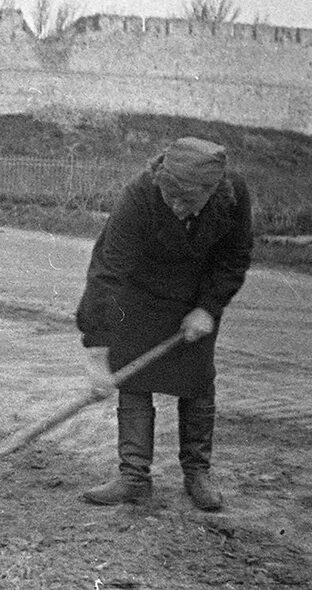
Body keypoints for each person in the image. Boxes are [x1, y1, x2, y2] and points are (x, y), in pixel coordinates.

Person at [76, 137, 253, 512]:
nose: (175, 206)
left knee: (197, 382)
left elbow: (235, 257)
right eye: (169, 197)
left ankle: (197, 474)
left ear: (210, 190)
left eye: (186, 200)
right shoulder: (139, 195)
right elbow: (108, 271)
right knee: (132, 378)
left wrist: (209, 307)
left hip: (195, 299)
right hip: (140, 293)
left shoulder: (233, 194)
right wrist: (96, 350)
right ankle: (134, 477)